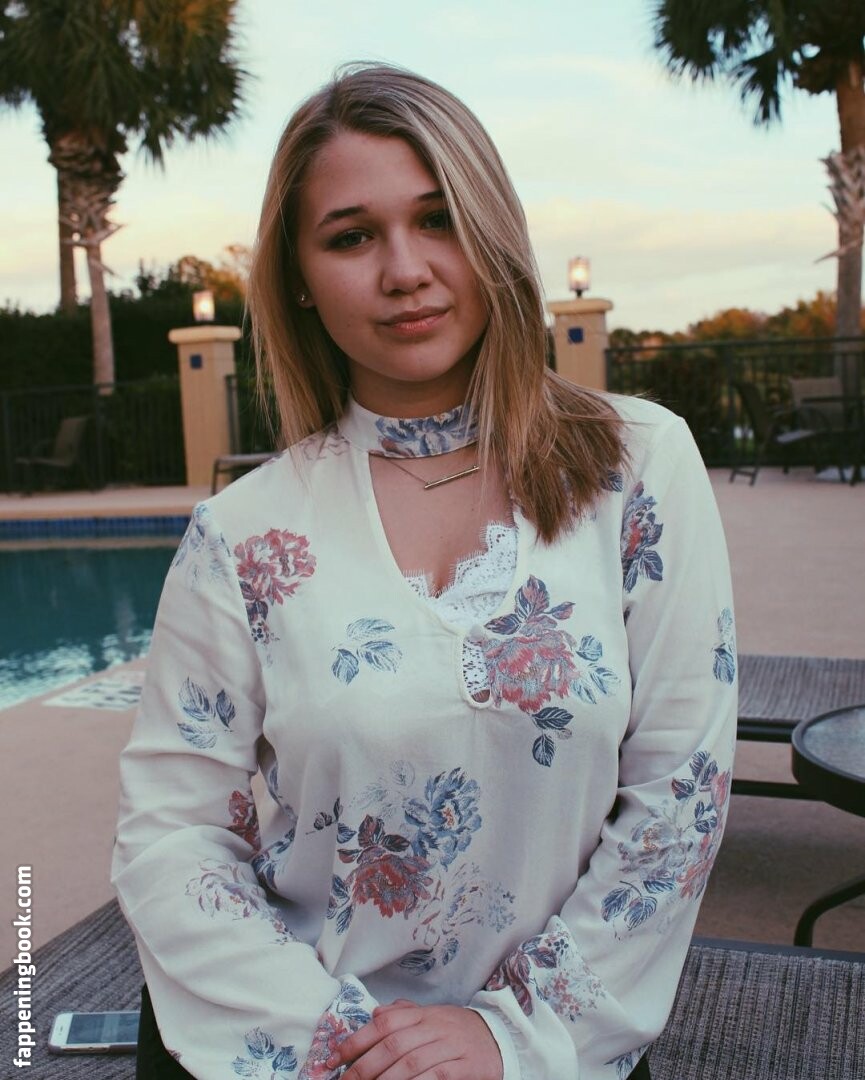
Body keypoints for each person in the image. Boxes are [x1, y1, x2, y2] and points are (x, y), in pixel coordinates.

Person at [112, 62, 737, 1080]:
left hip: (549, 1051)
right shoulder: (242, 536)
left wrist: (508, 1036)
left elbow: (683, 793)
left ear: (492, 233)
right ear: (299, 278)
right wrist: (348, 1042)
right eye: (350, 236)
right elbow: (171, 834)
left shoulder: (635, 467)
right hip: (306, 1049)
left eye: (438, 219)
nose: (404, 270)